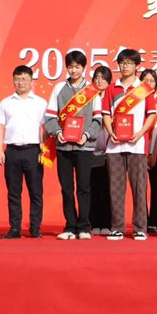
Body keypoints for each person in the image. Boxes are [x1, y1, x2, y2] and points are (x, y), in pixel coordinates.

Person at [44, 50, 102, 240]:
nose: (74, 70)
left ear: (84, 67)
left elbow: (98, 120)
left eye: (77, 66)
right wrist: (58, 132)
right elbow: (50, 117)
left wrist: (86, 135)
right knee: (66, 188)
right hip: (63, 147)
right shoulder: (59, 88)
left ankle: (84, 227)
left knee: (84, 188)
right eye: (70, 67)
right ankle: (70, 226)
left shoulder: (93, 91)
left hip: (84, 147)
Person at [102, 48, 157, 241]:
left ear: (137, 66)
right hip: (115, 145)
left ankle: (140, 228)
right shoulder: (112, 88)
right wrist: (111, 132)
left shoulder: (144, 89)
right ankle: (117, 227)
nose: (125, 66)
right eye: (122, 62)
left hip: (137, 145)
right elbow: (106, 114)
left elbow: (151, 115)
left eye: (129, 63)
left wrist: (140, 134)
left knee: (139, 187)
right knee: (116, 188)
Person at [0, 65, 47, 239]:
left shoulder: (40, 103)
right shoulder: (6, 103)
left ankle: (35, 228)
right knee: (13, 192)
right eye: (17, 79)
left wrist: (44, 150)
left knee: (36, 192)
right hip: (12, 151)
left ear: (31, 81)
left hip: (33, 151)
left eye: (24, 79)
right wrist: (0, 150)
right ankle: (15, 228)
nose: (20, 82)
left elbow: (46, 128)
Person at [89, 66, 113, 235]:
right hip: (90, 149)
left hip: (110, 151)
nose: (99, 81)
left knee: (109, 188)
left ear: (109, 82)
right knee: (92, 188)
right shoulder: (86, 100)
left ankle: (107, 223)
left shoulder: (113, 100)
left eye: (103, 78)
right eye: (97, 78)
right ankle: (93, 223)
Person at [141, 69, 157, 234]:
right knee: (140, 188)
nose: (148, 83)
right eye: (145, 80)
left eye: (151, 80)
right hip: (139, 149)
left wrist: (153, 153)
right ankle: (141, 221)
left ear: (156, 84)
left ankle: (154, 222)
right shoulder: (135, 101)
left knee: (155, 187)